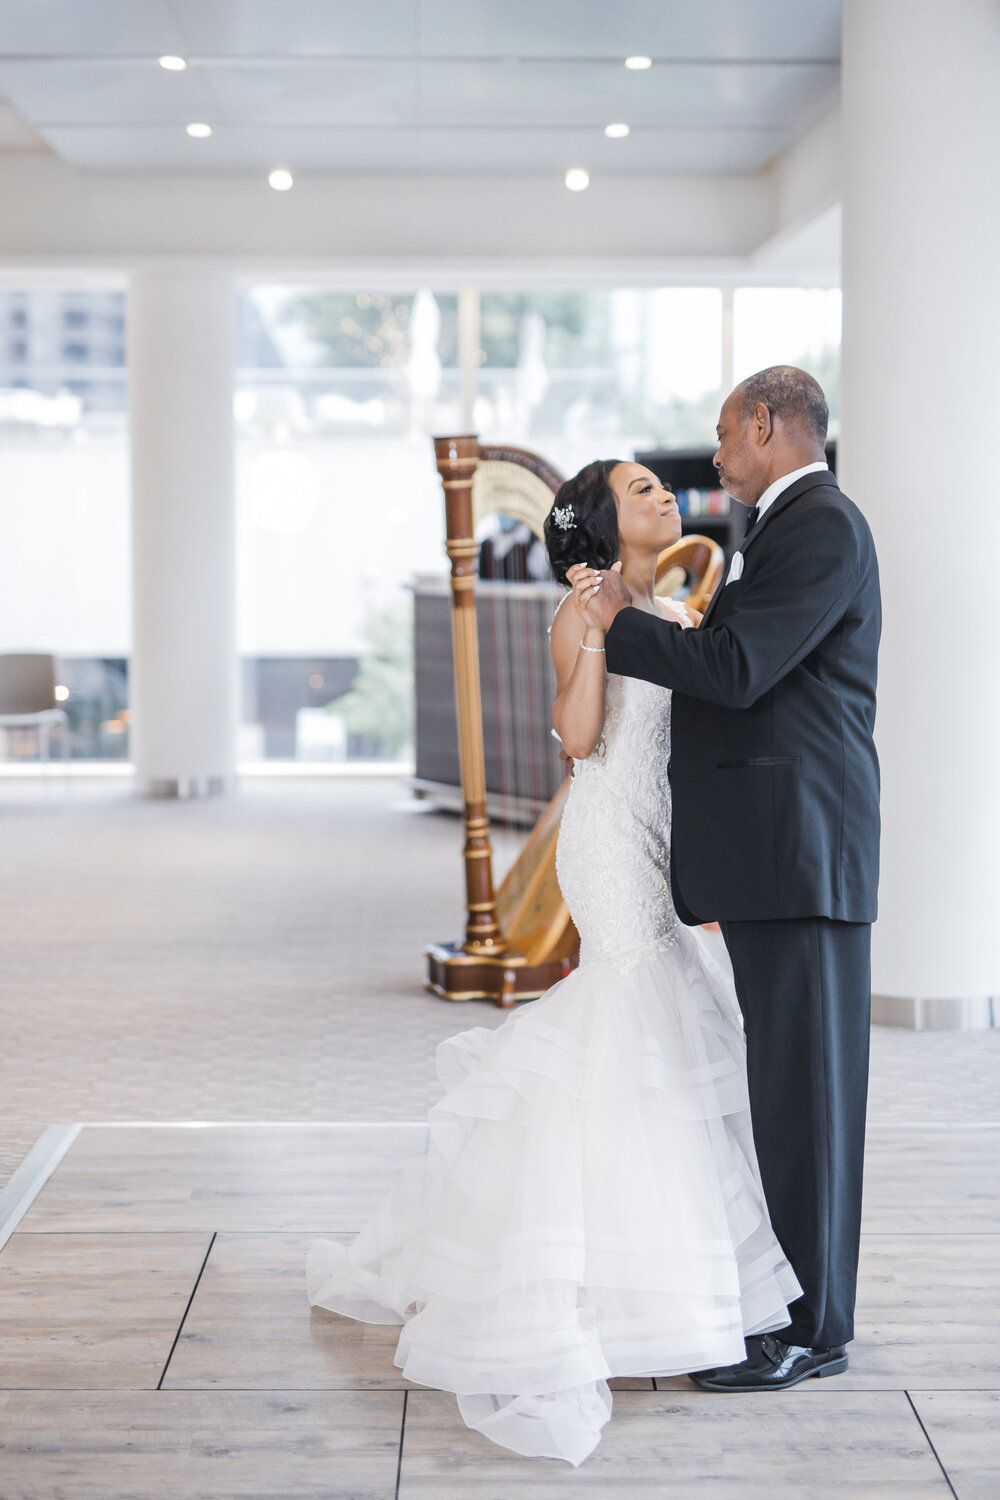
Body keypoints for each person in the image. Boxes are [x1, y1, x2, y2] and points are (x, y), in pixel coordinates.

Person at [306, 458, 800, 1466]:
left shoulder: (673, 602)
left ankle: (677, 1278)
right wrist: (594, 636)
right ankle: (602, 1284)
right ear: (597, 523)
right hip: (610, 838)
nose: (664, 496)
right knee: (632, 1018)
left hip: (664, 833)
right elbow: (579, 737)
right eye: (640, 492)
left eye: (662, 489)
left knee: (673, 1022)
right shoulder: (585, 609)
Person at [580, 366, 881, 1392]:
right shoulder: (789, 528)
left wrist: (623, 617)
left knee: (806, 1099)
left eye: (722, 432)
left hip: (799, 854)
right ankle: (803, 1314)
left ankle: (810, 1331)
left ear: (765, 423)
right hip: (777, 852)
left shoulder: (821, 526)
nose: (712, 455)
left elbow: (743, 670)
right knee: (789, 1095)